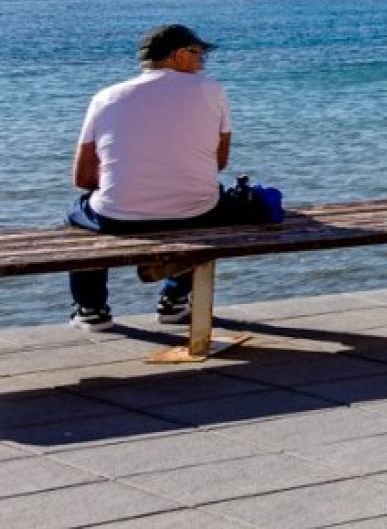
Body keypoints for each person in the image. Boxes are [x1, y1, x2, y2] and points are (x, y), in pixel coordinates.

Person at [65, 24, 253, 329]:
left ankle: (91, 309)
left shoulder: (106, 97)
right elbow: (218, 162)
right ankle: (174, 301)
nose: (203, 62)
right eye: (198, 54)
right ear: (178, 55)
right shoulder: (212, 90)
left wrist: (132, 185)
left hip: (118, 218)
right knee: (207, 201)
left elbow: (83, 177)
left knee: (78, 215)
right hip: (195, 213)